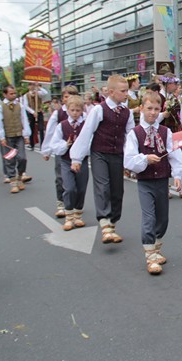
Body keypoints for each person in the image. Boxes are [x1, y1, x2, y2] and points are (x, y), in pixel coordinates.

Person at [124, 92, 182, 275]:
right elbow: (128, 159)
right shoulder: (134, 133)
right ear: (142, 109)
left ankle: (156, 248)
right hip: (145, 181)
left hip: (162, 180)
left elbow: (175, 154)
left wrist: (178, 175)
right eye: (149, 108)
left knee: (162, 218)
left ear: (161, 110)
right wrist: (144, 159)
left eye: (156, 109)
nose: (152, 112)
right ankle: (150, 255)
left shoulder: (166, 131)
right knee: (149, 217)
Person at [70, 75, 133, 245]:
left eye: (127, 90)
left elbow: (131, 137)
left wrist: (132, 161)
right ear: (111, 92)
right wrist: (77, 157)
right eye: (123, 91)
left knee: (117, 191)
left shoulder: (127, 113)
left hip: (117, 154)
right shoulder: (99, 110)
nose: (127, 94)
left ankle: (112, 225)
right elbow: (86, 133)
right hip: (100, 153)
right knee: (102, 186)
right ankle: (105, 224)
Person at [48, 95, 88, 231]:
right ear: (68, 110)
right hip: (66, 160)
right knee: (69, 188)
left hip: (82, 161)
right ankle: (69, 215)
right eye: (72, 110)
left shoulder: (86, 124)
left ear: (82, 110)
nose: (75, 113)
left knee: (81, 188)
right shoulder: (62, 125)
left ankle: (78, 215)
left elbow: (90, 140)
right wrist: (65, 145)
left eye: (78, 110)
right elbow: (54, 143)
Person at [40, 85, 79, 218]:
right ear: (63, 99)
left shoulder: (81, 113)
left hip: (77, 151)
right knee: (60, 176)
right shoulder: (59, 114)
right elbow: (50, 132)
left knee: (78, 180)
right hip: (62, 150)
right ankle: (61, 203)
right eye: (67, 97)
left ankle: (74, 204)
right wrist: (46, 151)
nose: (69, 99)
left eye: (72, 96)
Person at [158, 73, 182, 199]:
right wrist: (163, 115)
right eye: (174, 83)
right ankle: (165, 187)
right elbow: (153, 116)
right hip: (163, 131)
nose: (177, 86)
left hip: (176, 130)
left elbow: (180, 115)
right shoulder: (159, 97)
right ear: (167, 83)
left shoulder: (175, 98)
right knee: (165, 159)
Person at [0, 85, 32, 194]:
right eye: (11, 93)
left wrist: (26, 135)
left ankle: (20, 176)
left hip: (19, 135)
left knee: (22, 158)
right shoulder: (0, 106)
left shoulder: (20, 105)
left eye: (14, 93)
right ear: (5, 94)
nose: (14, 95)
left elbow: (24, 120)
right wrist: (1, 137)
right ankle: (13, 182)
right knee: (9, 159)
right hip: (7, 136)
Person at [22, 82, 48, 151]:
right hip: (31, 113)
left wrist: (38, 87)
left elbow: (45, 93)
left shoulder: (38, 93)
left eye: (33, 85)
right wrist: (33, 112)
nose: (32, 86)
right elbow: (26, 106)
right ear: (28, 87)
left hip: (39, 112)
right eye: (30, 85)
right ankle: (32, 144)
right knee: (32, 128)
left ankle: (42, 145)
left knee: (41, 128)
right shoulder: (26, 95)